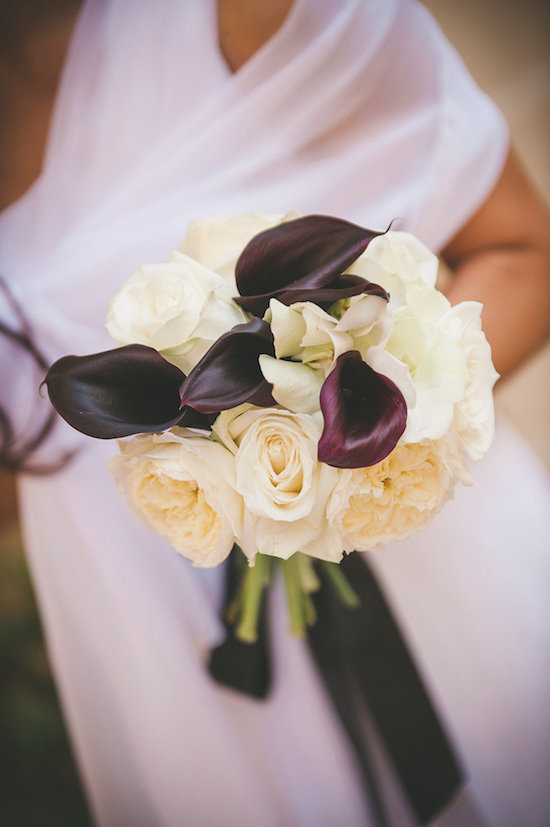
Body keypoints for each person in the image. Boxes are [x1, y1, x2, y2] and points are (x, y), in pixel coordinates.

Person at [1, 1, 549, 825]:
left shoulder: (256, 13)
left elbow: (521, 249)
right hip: (159, 652)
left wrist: (344, 446)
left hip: (412, 559)